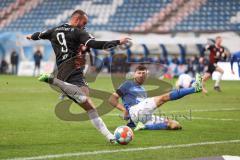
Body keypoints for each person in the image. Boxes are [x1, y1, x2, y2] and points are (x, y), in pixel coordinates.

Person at [26, 9, 130, 143]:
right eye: (84, 23)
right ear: (76, 20)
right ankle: (55, 82)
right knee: (85, 99)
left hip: (63, 71)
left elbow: (39, 35)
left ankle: (110, 137)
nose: (84, 26)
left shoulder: (54, 30)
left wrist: (30, 36)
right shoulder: (78, 32)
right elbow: (95, 44)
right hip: (73, 69)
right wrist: (117, 42)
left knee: (89, 106)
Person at [108, 65, 202, 131]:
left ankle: (144, 127)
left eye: (143, 73)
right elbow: (112, 99)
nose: (141, 75)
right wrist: (124, 110)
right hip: (135, 111)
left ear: (146, 75)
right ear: (134, 74)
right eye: (139, 73)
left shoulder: (143, 89)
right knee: (164, 98)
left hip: (142, 118)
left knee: (174, 125)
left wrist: (131, 124)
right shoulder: (128, 84)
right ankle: (194, 88)